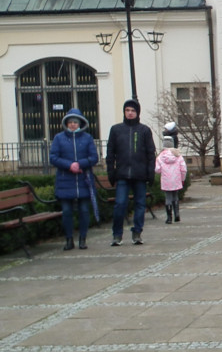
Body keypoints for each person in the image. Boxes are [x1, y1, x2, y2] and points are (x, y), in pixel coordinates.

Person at [105, 99, 156, 246]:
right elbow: (110, 153)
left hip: (139, 175)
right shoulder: (116, 130)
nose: (130, 113)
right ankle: (117, 234)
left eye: (133, 111)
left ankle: (137, 232)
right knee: (120, 204)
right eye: (127, 110)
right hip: (122, 174)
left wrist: (150, 172)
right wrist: (111, 172)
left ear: (137, 113)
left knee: (140, 204)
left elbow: (150, 153)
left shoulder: (144, 130)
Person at [49, 107, 98, 251]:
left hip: (83, 180)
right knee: (67, 212)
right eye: (70, 122)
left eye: (75, 122)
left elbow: (94, 157)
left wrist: (80, 164)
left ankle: (83, 238)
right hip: (66, 181)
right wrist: (69, 165)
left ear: (80, 123)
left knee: (83, 210)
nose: (72, 124)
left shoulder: (87, 138)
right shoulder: (59, 138)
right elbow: (53, 157)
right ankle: (69, 239)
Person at [155, 136, 187, 224]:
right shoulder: (178, 155)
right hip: (176, 179)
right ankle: (177, 215)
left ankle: (169, 218)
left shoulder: (160, 156)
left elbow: (157, 170)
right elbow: (183, 169)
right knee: (175, 196)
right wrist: (182, 179)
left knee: (168, 197)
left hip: (166, 180)